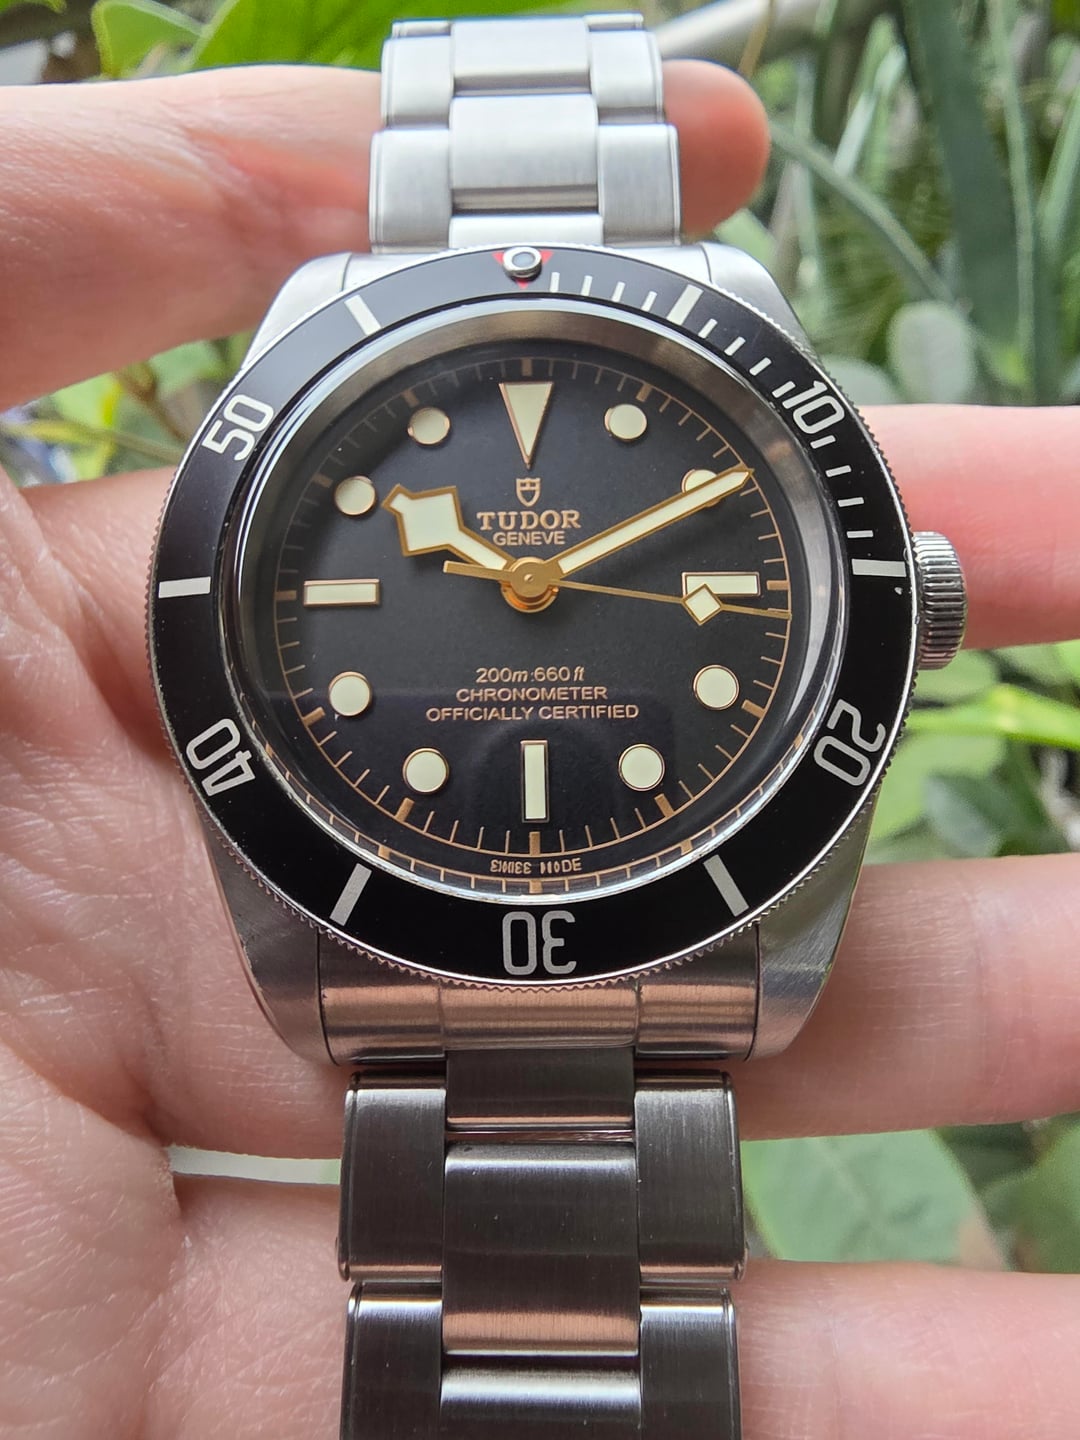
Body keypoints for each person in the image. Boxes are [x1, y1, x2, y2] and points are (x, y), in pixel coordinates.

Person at [0, 58, 1077, 1439]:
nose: (529, 587)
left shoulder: (454, 340)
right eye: (511, 575)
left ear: (906, 605)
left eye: (546, 580)